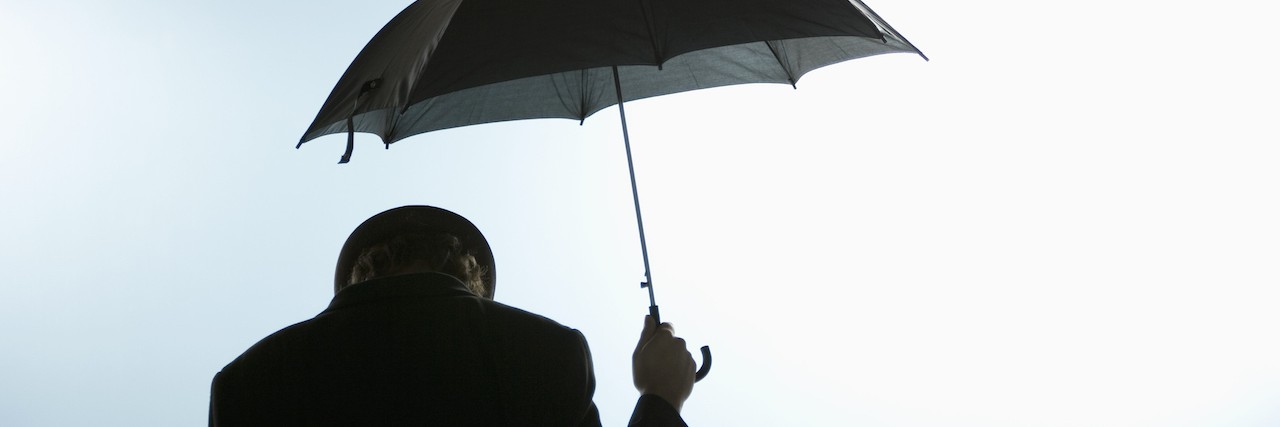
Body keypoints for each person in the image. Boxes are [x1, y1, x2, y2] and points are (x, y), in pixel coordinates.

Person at [210, 205, 696, 426]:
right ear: (469, 275)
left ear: (362, 272)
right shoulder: (547, 355)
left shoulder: (245, 384)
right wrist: (660, 396)